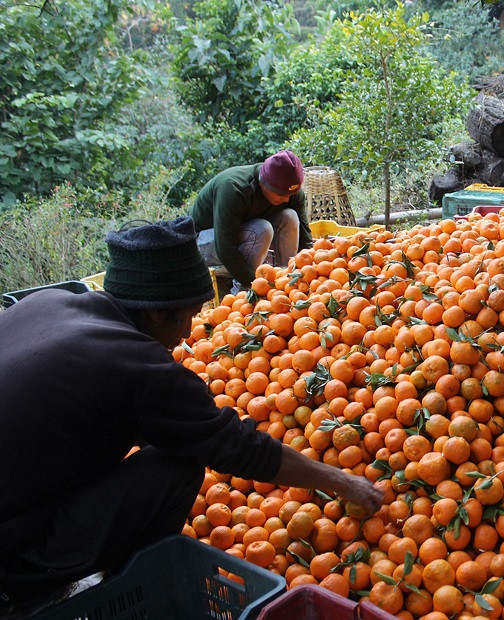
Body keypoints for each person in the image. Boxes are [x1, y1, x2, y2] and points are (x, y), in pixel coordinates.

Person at [0, 217, 383, 613]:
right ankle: (118, 588)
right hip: (11, 551)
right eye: (188, 316)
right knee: (177, 467)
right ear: (156, 314)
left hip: (21, 494)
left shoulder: (49, 302)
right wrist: (342, 481)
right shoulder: (135, 364)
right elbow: (235, 446)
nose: (187, 335)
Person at [190, 149, 314, 293]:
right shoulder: (234, 189)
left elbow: (305, 238)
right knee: (262, 229)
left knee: (290, 216)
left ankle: (286, 282)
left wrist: (310, 271)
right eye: (281, 194)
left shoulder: (291, 192)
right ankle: (244, 295)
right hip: (203, 243)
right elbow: (225, 248)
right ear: (263, 184)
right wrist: (257, 286)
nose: (286, 199)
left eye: (290, 194)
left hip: (243, 234)